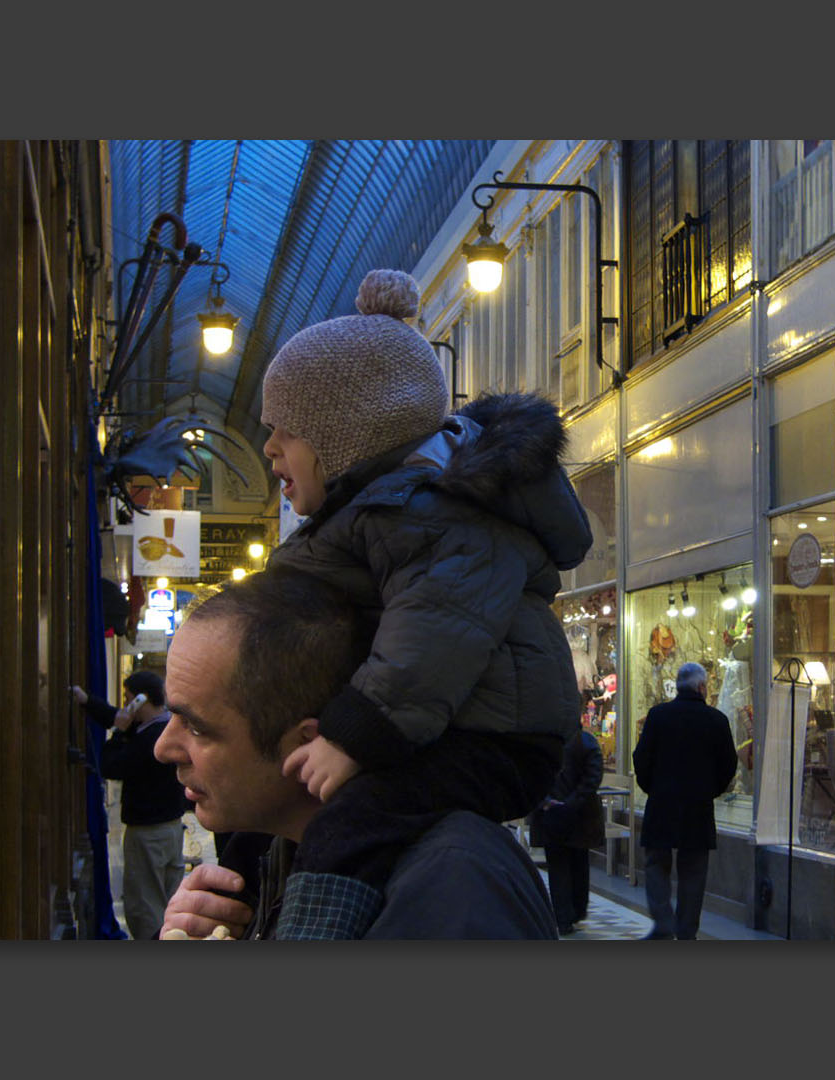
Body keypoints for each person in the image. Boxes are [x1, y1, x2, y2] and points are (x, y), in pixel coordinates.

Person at [255, 268, 591, 937]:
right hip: (460, 727)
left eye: (284, 433)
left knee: (348, 824)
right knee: (291, 820)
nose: (268, 450)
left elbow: (437, 632)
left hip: (496, 741)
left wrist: (354, 735)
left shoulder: (432, 512)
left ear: (343, 439)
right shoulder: (390, 510)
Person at [153, 567, 557, 940]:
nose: (163, 748)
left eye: (196, 726)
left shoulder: (457, 886)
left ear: (306, 743)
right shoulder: (278, 857)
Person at [71, 671, 189, 942]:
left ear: (140, 700)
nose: (125, 705)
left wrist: (117, 733)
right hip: (170, 828)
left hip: (148, 833)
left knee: (144, 907)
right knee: (167, 906)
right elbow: (116, 716)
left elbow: (112, 765)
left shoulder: (149, 738)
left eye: (128, 699)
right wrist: (88, 701)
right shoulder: (164, 726)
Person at [632, 661, 738, 940]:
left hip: (662, 803)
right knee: (693, 871)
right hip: (698, 807)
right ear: (702, 687)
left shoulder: (658, 716)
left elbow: (641, 758)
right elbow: (729, 765)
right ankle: (687, 931)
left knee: (656, 863)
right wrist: (709, 790)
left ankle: (663, 921)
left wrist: (652, 787)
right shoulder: (716, 720)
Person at [528, 724, 604, 935]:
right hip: (580, 815)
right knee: (578, 862)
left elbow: (531, 774)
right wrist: (573, 801)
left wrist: (545, 801)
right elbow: (593, 777)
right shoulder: (585, 741)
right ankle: (575, 911)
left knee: (558, 865)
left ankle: (563, 917)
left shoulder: (543, 740)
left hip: (550, 812)